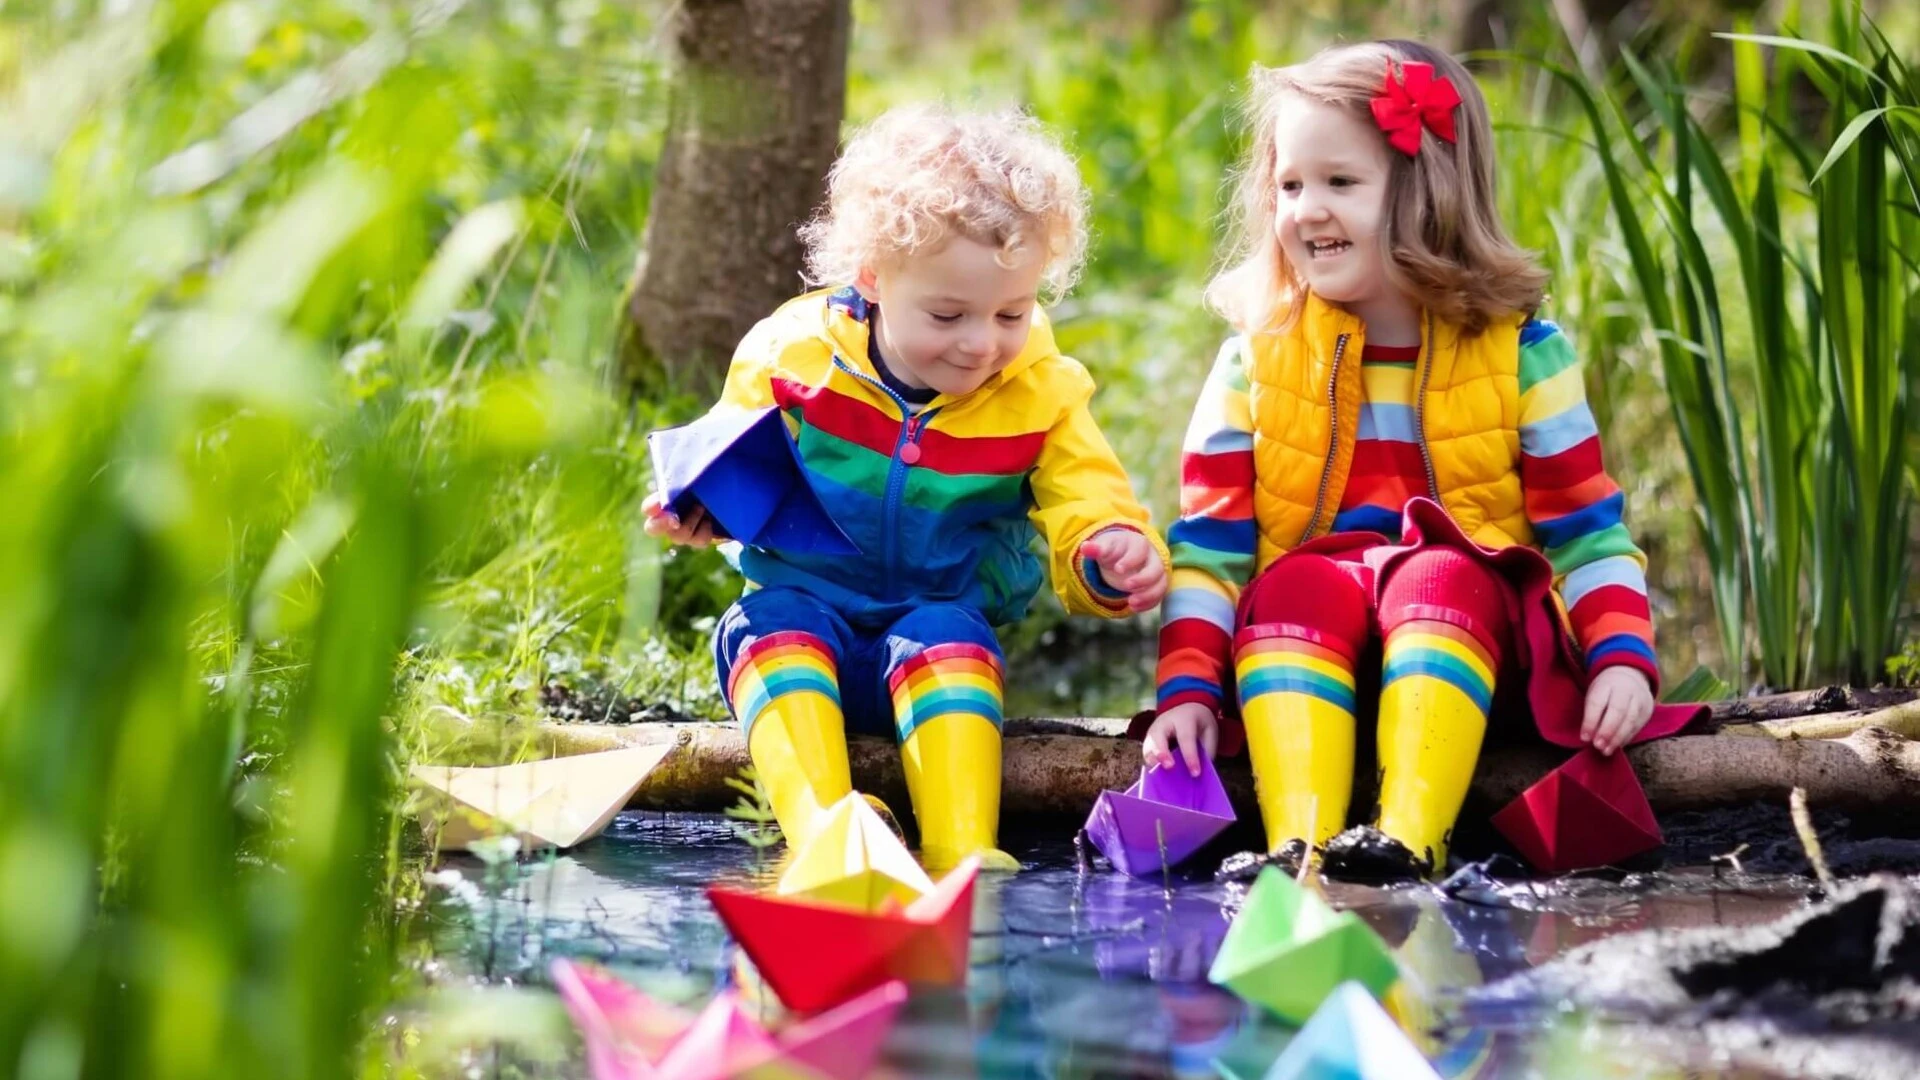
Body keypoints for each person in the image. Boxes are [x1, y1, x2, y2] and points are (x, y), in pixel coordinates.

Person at [1141, 40, 1691, 880]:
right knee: (1290, 581)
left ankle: (1409, 841)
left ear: (1427, 191)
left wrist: (1622, 656)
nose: (1306, 210)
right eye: (1289, 185)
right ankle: (1302, 846)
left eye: (1340, 183)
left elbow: (1587, 534)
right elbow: (1210, 549)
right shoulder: (1257, 358)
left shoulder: (1521, 355)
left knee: (1441, 572)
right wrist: (1187, 689)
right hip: (1307, 657)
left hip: (1468, 653)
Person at [645, 104, 1171, 872]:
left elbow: (1086, 497)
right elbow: (732, 461)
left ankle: (962, 850)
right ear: (872, 278)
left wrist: (1107, 552)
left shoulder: (1042, 394)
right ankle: (823, 834)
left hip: (936, 633)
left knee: (948, 635)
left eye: (1012, 313)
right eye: (948, 313)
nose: (981, 342)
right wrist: (699, 509)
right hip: (807, 616)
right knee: (764, 626)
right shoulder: (794, 356)